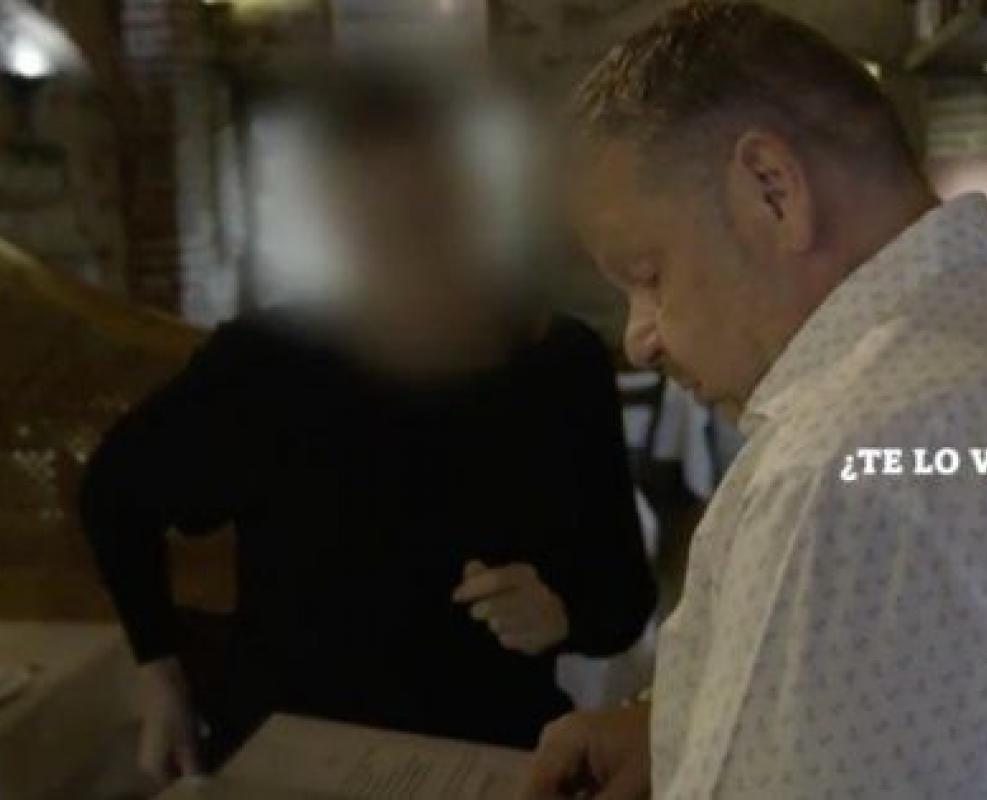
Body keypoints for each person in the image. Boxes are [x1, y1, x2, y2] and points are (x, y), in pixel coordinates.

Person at [524, 2, 987, 798]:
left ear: (771, 190)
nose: (640, 338)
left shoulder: (836, 476)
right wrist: (677, 728)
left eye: (649, 276)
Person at [79, 62, 656, 789]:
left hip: (486, 748)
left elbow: (623, 601)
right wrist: (158, 669)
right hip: (287, 748)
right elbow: (114, 493)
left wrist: (560, 611)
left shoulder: (556, 365)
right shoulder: (268, 363)